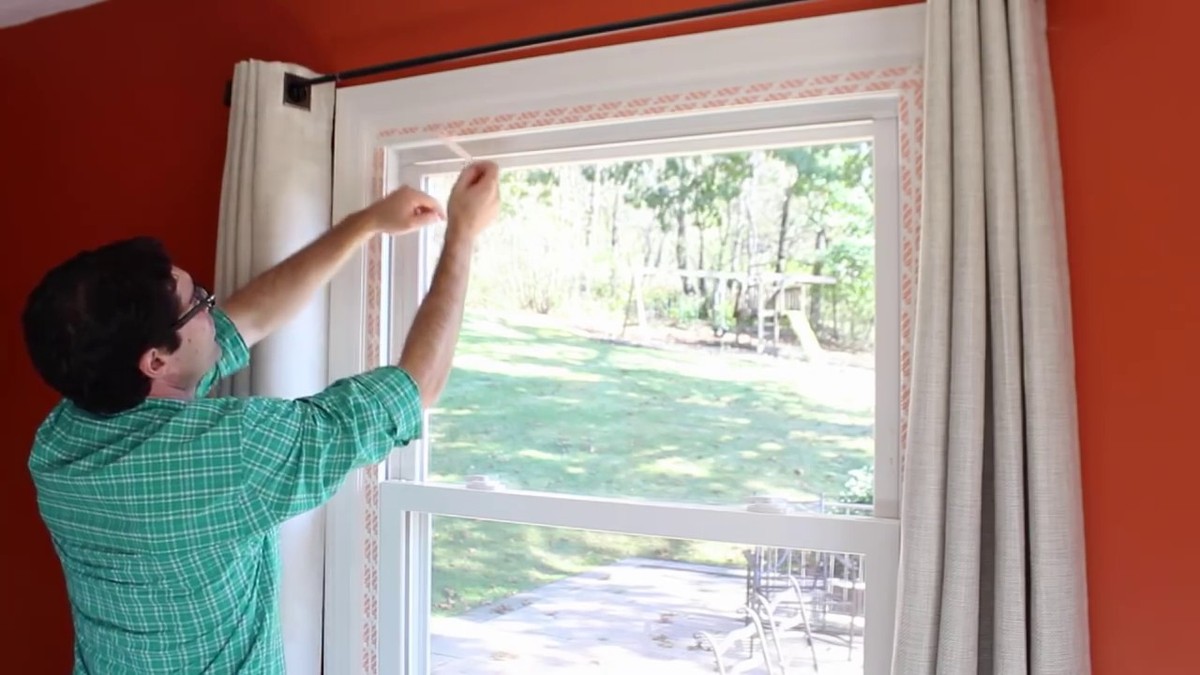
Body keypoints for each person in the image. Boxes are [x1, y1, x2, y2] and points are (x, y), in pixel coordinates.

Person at [21, 160, 501, 674]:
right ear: (156, 362)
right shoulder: (232, 453)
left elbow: (247, 317)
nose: (212, 305)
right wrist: (463, 236)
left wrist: (366, 223)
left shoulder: (60, 440)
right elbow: (413, 388)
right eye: (197, 303)